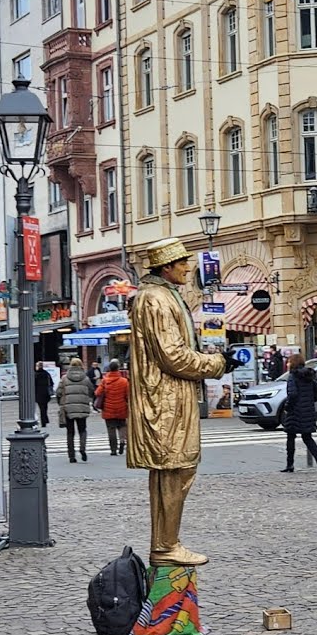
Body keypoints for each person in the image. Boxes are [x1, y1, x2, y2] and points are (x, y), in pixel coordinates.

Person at [128, 237, 239, 567]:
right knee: (175, 471)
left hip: (170, 398)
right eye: (182, 264)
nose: (189, 269)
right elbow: (172, 356)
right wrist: (217, 364)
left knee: (174, 470)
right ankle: (165, 546)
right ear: (166, 268)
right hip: (165, 402)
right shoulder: (156, 300)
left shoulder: (160, 296)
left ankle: (166, 543)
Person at [281, 353, 317, 473]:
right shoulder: (308, 376)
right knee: (308, 438)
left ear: (293, 363)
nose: (288, 363)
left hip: (294, 411)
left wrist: (287, 407)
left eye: (289, 361)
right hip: (307, 411)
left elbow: (293, 394)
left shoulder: (292, 376)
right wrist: (310, 401)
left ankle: (290, 464)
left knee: (291, 437)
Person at [57, 357, 94, 463]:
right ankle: (82, 448)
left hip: (68, 408)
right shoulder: (85, 378)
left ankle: (71, 456)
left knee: (70, 432)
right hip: (82, 408)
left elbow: (59, 392)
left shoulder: (64, 378)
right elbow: (91, 390)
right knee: (82, 430)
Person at [96, 359, 130, 456]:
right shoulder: (124, 381)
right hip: (121, 407)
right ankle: (122, 440)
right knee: (122, 426)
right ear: (118, 369)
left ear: (109, 369)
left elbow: (98, 393)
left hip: (108, 408)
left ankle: (113, 449)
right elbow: (128, 395)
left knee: (111, 429)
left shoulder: (105, 381)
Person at [33, 362, 54, 428]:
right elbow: (51, 383)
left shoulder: (35, 375)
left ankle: (44, 422)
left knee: (41, 408)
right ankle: (45, 420)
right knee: (44, 408)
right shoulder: (47, 374)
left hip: (38, 394)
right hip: (46, 394)